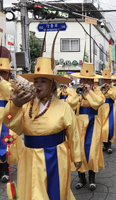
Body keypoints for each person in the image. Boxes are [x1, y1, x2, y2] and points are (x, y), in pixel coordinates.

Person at [4, 57, 82, 200]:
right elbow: (13, 125)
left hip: (56, 155)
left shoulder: (63, 107)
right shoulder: (25, 105)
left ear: (52, 85)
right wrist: (14, 105)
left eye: (43, 81)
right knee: (32, 191)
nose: (38, 85)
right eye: (36, 81)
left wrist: (76, 156)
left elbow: (73, 133)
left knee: (56, 191)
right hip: (29, 155)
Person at [71, 62, 105, 191]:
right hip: (78, 123)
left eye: (88, 79)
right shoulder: (76, 91)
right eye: (83, 79)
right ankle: (81, 179)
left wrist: (89, 92)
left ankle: (92, 179)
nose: (85, 82)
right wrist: (78, 94)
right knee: (78, 151)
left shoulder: (97, 92)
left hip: (93, 122)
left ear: (93, 81)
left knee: (92, 151)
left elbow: (97, 103)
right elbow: (70, 105)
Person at [0, 53, 24, 183]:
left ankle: (5, 170)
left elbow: (11, 95)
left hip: (5, 117)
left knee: (5, 143)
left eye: (3, 72)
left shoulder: (11, 85)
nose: (1, 74)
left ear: (8, 74)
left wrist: (1, 82)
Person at [98, 69, 116, 154]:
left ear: (110, 80)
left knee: (109, 127)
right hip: (101, 109)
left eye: (107, 80)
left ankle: (109, 145)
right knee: (101, 128)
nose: (106, 81)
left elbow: (114, 97)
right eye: (104, 80)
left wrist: (109, 89)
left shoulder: (114, 88)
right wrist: (101, 89)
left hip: (110, 108)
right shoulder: (98, 88)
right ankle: (104, 144)